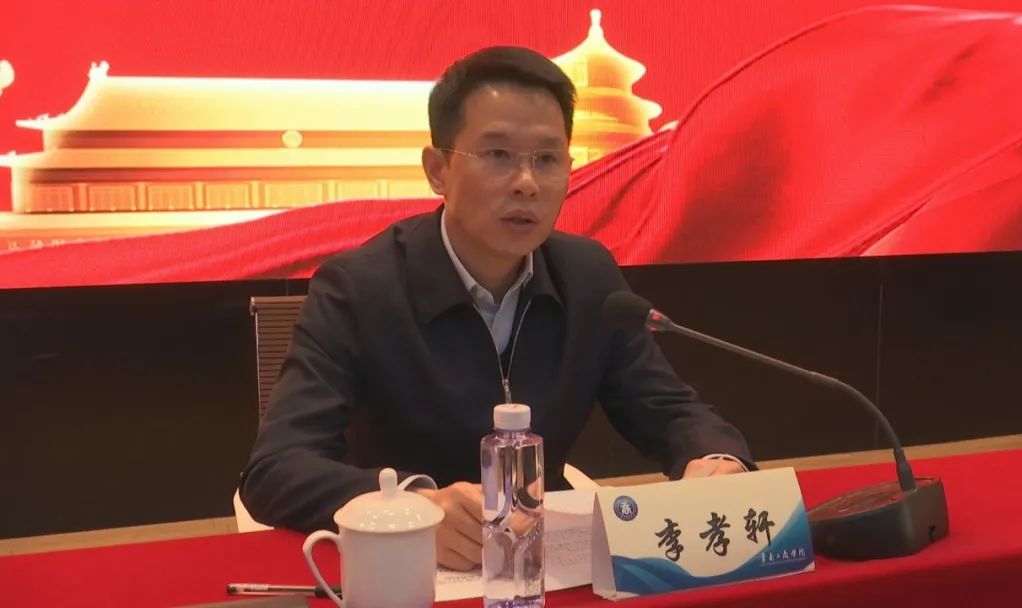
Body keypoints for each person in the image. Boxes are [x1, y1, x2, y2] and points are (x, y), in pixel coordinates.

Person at [239, 46, 754, 571]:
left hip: (541, 568)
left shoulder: (587, 276)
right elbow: (276, 470)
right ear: (437, 170)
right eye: (498, 155)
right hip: (409, 574)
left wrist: (715, 459)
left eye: (547, 159)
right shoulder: (359, 288)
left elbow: (668, 409)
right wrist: (411, 508)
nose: (526, 182)